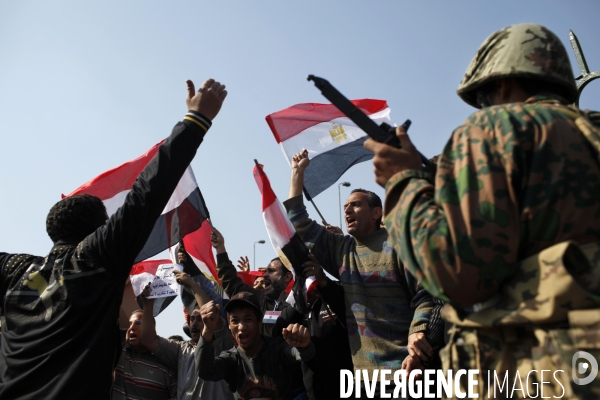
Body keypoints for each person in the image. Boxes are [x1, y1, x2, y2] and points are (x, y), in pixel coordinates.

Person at [365, 23, 600, 398]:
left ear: (503, 85)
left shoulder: (498, 127)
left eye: (485, 97)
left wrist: (402, 182)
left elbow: (458, 272)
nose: (486, 107)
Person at [0, 78, 227, 399]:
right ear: (99, 233)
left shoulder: (18, 274)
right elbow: (146, 194)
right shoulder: (91, 263)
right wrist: (197, 120)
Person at [285, 151, 443, 394]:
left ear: (377, 212)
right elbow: (298, 219)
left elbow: (424, 295)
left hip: (408, 371)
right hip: (364, 379)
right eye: (345, 206)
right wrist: (297, 172)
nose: (347, 210)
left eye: (356, 205)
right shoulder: (341, 249)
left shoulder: (401, 244)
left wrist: (418, 332)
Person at [195, 292, 315, 399]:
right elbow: (205, 371)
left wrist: (303, 344)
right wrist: (207, 330)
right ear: (229, 324)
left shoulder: (277, 349)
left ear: (259, 320)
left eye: (248, 319)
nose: (241, 327)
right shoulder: (231, 359)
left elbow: (303, 354)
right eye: (235, 321)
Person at [141, 271, 234, 400]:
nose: (194, 323)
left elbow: (212, 314)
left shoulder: (222, 344)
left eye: (200, 319)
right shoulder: (181, 349)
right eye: (192, 319)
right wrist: (148, 304)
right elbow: (148, 340)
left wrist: (191, 284)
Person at [273, 255, 353, 400]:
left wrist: (324, 283)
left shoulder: (336, 291)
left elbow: (349, 315)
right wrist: (301, 299)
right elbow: (277, 331)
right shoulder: (294, 301)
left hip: (345, 386)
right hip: (311, 389)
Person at [212, 228, 292, 337]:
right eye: (266, 271)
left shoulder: (295, 303)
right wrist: (220, 249)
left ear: (287, 277)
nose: (265, 275)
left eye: (272, 271)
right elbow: (231, 283)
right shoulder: (258, 299)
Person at [113, 310, 177, 400]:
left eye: (138, 323)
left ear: (151, 329)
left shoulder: (166, 363)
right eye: (129, 324)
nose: (132, 327)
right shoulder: (118, 354)